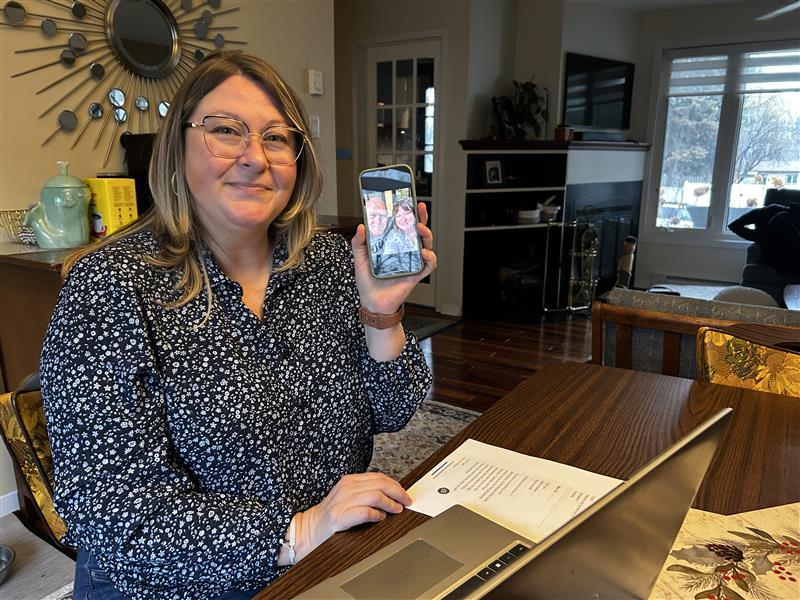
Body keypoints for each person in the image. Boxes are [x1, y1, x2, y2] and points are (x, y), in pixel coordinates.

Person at [40, 50, 436, 600]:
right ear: (176, 149)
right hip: (183, 586)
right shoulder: (108, 288)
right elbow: (109, 516)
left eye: (276, 138)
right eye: (226, 130)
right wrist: (297, 530)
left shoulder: (328, 260)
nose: (256, 158)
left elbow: (394, 410)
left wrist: (382, 312)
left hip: (333, 552)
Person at [382, 196, 423, 275]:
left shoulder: (421, 231)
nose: (403, 219)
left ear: (414, 214)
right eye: (398, 216)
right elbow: (389, 265)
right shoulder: (392, 237)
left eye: (407, 213)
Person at [364, 193, 391, 276]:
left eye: (382, 215)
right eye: (372, 215)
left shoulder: (396, 239)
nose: (378, 221)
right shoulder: (360, 243)